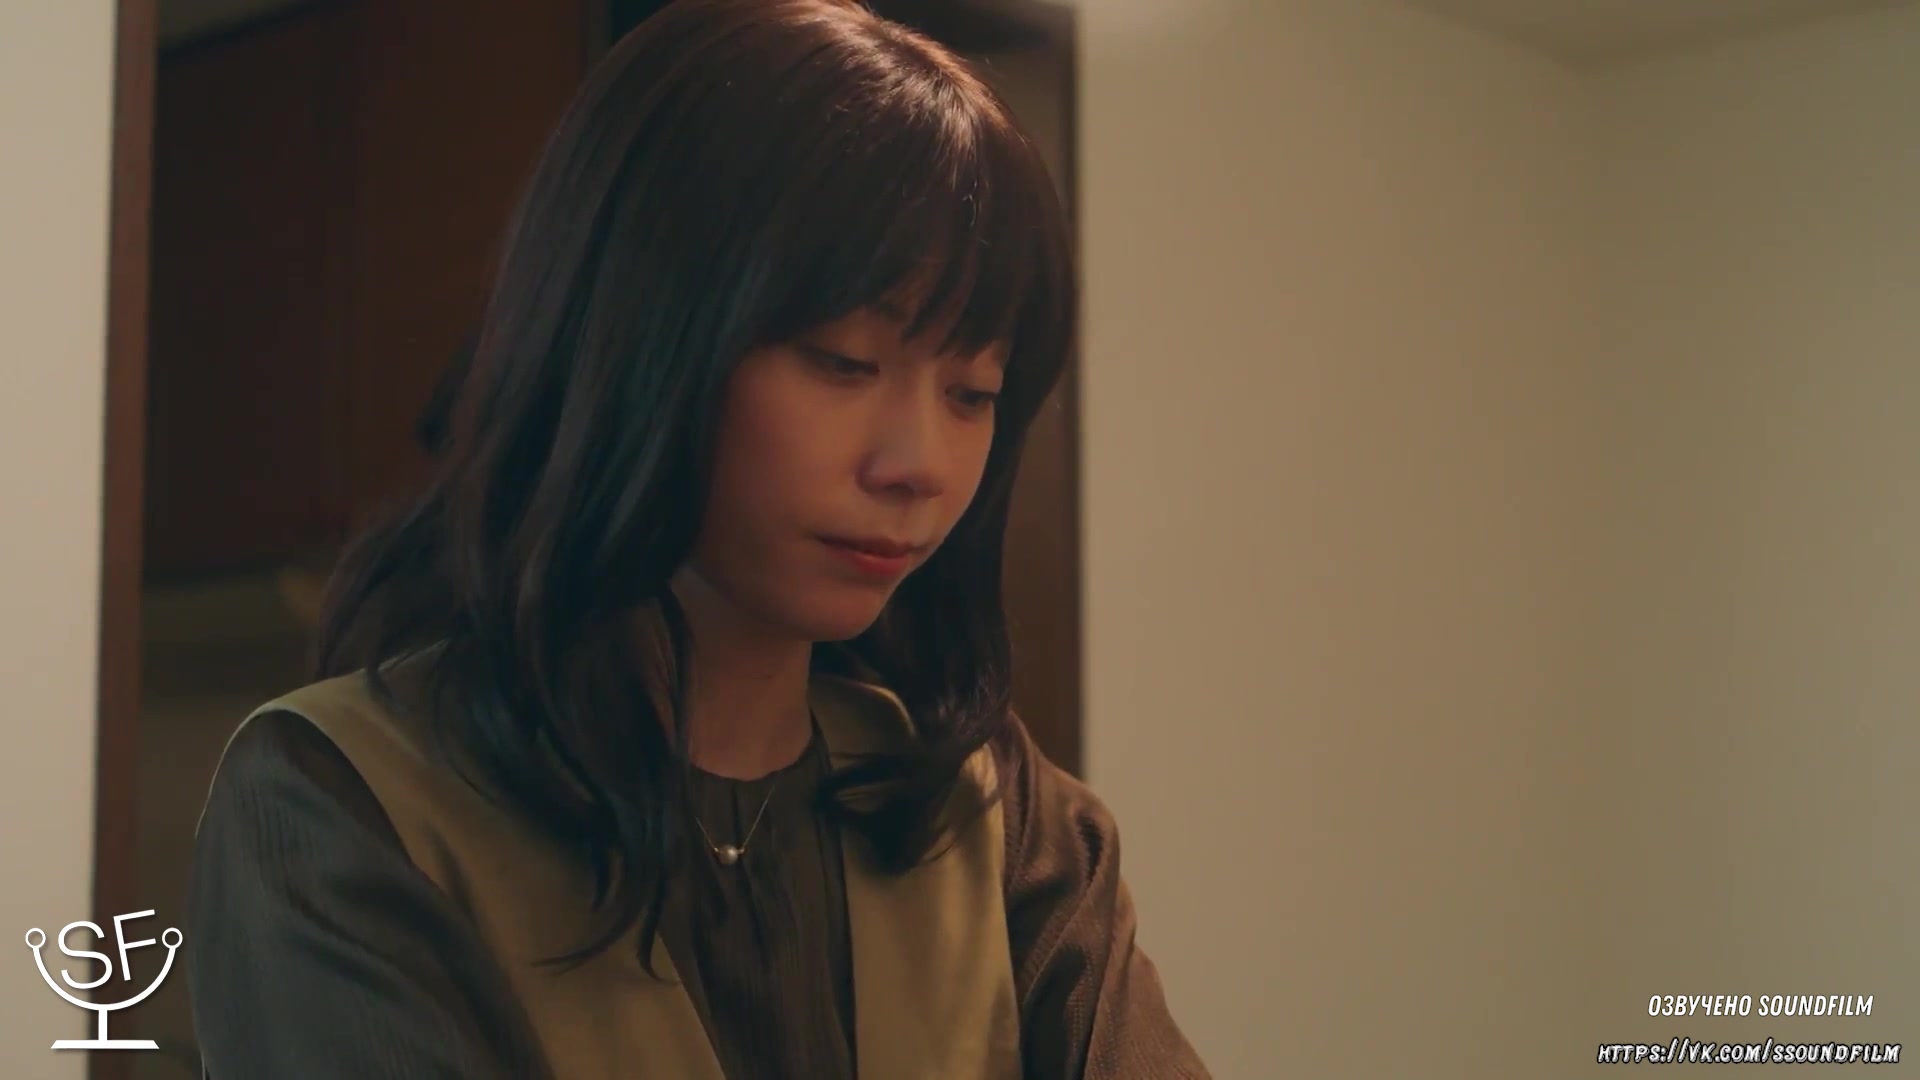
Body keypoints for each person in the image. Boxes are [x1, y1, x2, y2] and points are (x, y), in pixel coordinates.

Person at [185, 1, 1208, 1076]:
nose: (920, 464)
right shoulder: (346, 802)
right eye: (843, 362)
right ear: (635, 336)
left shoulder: (995, 817)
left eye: (973, 392)